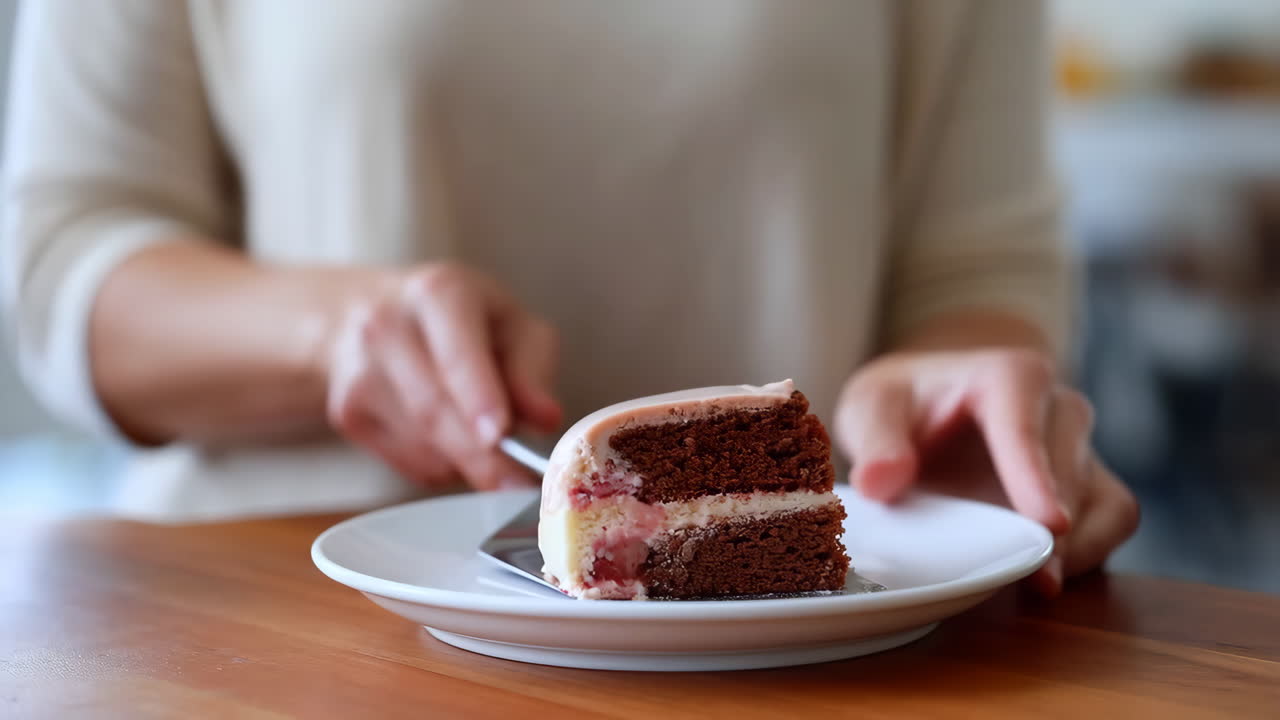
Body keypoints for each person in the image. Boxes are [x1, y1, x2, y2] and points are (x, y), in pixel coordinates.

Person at [1, 0, 1136, 596]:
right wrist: (331, 335)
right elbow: (61, 265)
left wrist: (964, 417)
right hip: (273, 642)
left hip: (798, 658)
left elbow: (977, 277)